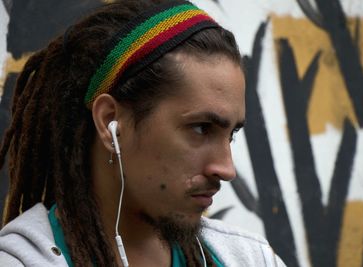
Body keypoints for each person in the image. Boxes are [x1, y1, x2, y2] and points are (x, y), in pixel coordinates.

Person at [0, 0, 286, 266]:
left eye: (231, 134)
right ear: (111, 122)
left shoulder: (248, 258)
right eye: (201, 128)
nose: (226, 169)